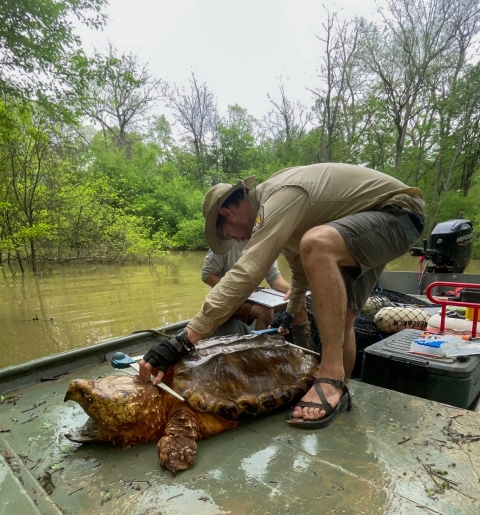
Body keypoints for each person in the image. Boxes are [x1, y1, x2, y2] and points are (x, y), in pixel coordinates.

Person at [140, 163, 425, 428]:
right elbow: (300, 274)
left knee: (316, 243)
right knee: (345, 319)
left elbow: (249, 270)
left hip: (397, 213)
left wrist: (184, 339)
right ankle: (339, 390)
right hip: (371, 221)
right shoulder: (287, 216)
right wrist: (291, 309)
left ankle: (329, 377)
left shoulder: (278, 197)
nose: (235, 240)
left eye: (227, 234)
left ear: (227, 213)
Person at [202, 240, 289, 330]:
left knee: (297, 301)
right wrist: (238, 289)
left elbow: (274, 277)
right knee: (266, 312)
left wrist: (293, 290)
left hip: (252, 296)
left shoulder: (266, 242)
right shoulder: (225, 242)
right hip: (226, 298)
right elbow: (207, 275)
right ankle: (260, 343)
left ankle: (299, 339)